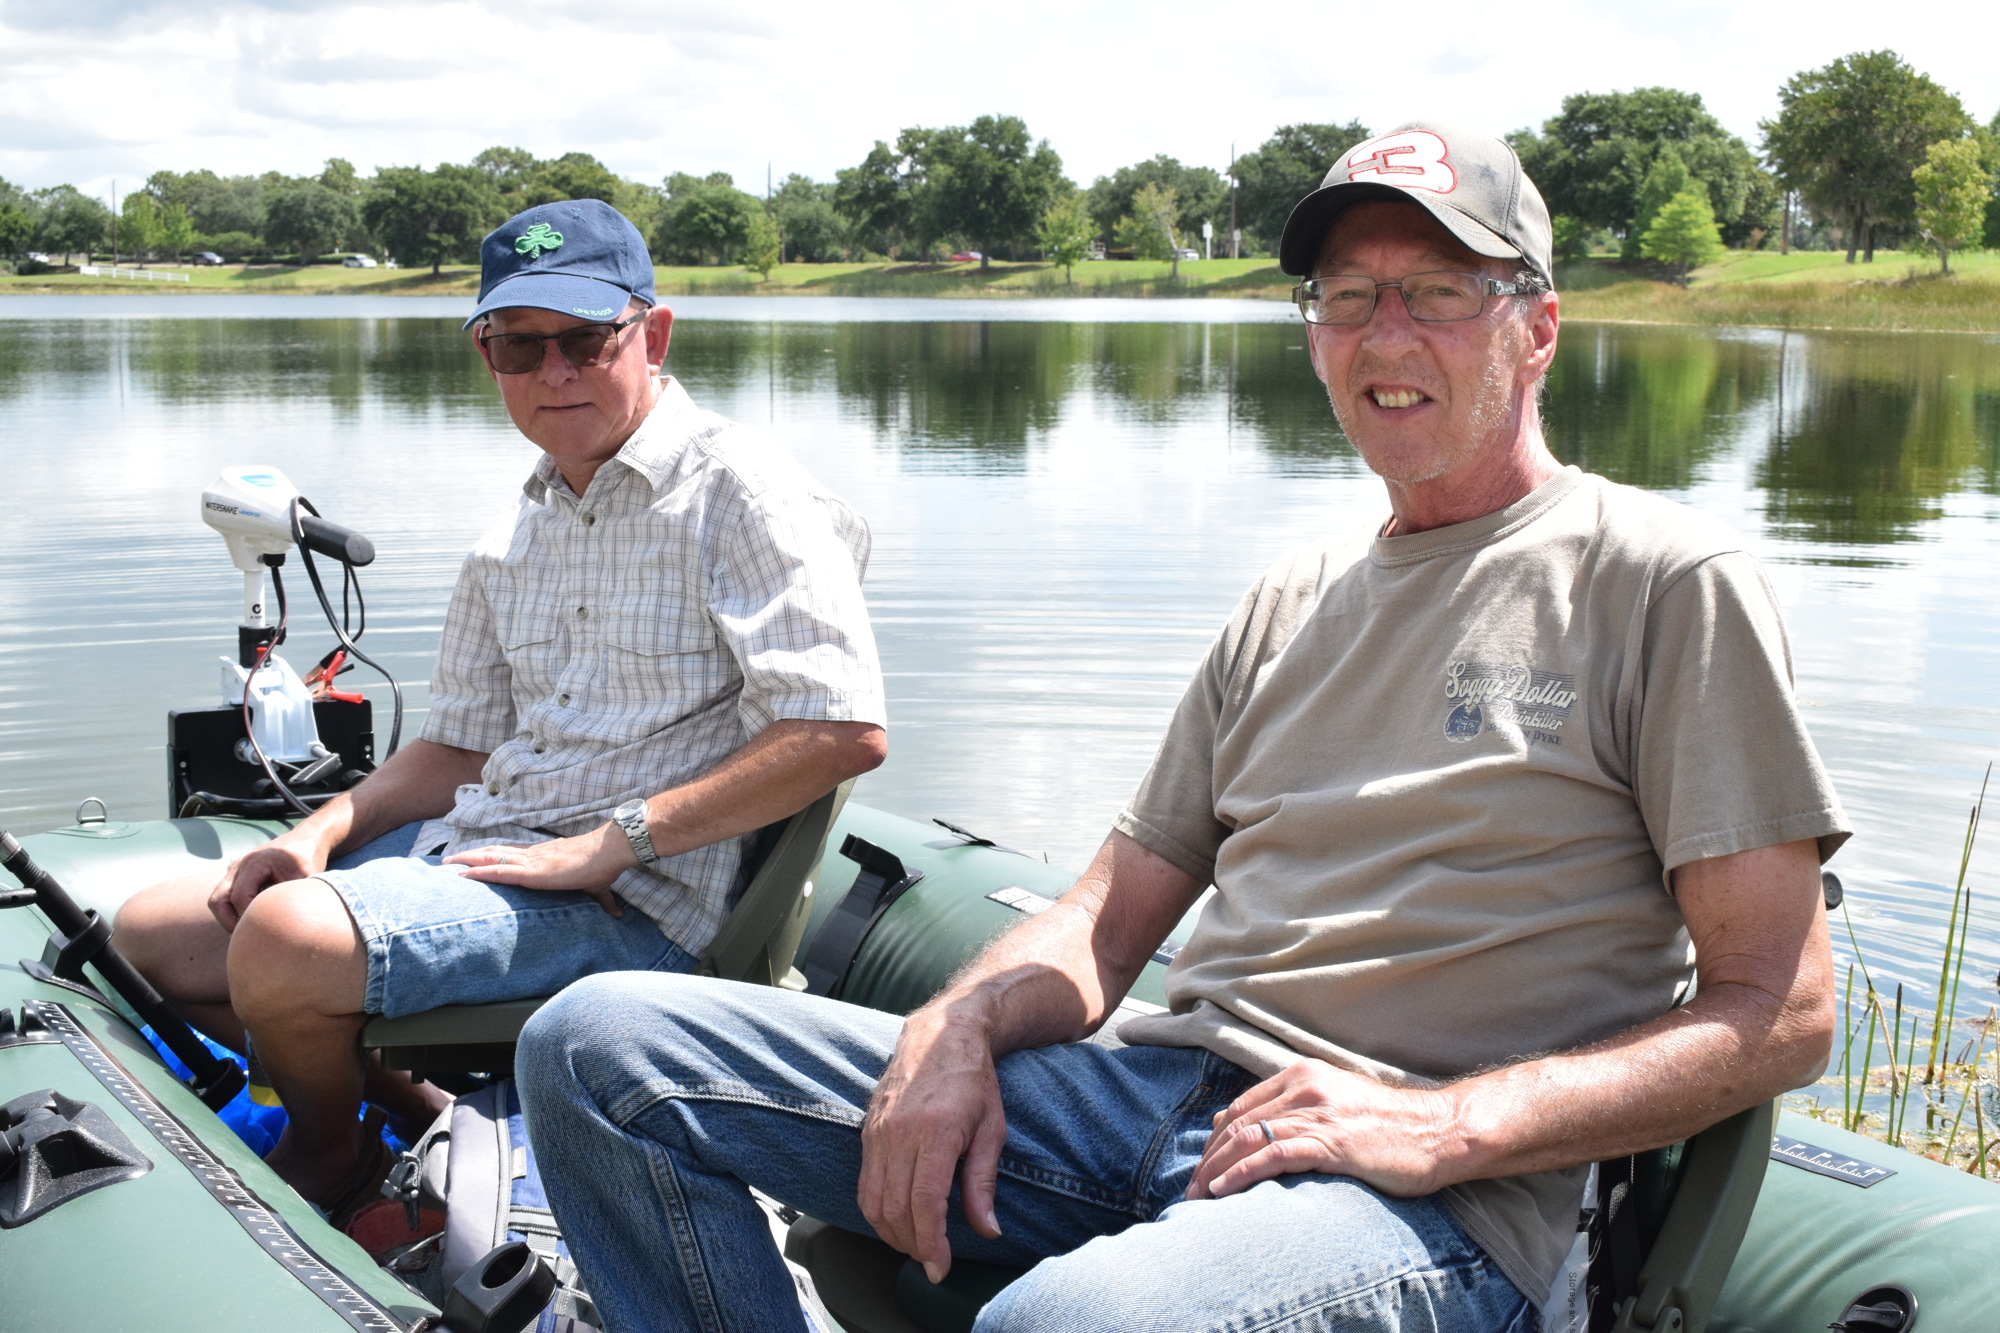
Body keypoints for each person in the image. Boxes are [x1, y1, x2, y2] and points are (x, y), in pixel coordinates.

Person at [514, 123, 1846, 1333]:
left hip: (1427, 1201)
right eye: (1347, 297)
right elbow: (1105, 921)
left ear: (1537, 327)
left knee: (1062, 1326)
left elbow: (1779, 1012)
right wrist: (957, 1028)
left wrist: (1450, 1122)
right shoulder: (1291, 598)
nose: (1386, 336)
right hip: (1147, 1105)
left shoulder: (1665, 582)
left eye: (1438, 293)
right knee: (595, 1048)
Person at [112, 198, 888, 1221]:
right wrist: (316, 832)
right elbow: (453, 747)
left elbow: (839, 731)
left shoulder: (742, 494)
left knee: (286, 941)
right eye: (520, 345)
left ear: (649, 335)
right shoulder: (511, 533)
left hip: (631, 905)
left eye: (583, 339)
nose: (553, 371)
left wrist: (614, 843)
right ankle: (430, 1113)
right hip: (482, 857)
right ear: (488, 354)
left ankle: (331, 1156)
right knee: (150, 932)